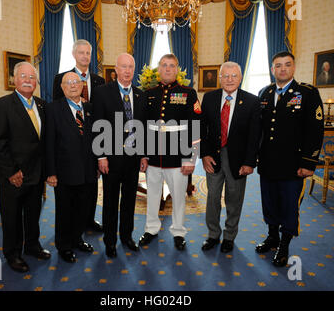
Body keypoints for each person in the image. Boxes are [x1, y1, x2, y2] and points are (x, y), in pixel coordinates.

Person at [256, 51, 324, 267]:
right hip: (267, 163)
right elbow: (259, 130)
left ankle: (284, 245)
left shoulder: (307, 93)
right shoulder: (264, 93)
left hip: (293, 165)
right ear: (272, 69)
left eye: (287, 65)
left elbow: (315, 130)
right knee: (270, 203)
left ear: (293, 67)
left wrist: (308, 162)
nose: (282, 69)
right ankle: (272, 237)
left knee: (288, 206)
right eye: (278, 65)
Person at [0, 62, 50, 273]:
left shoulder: (41, 105)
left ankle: (32, 246)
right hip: (15, 175)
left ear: (37, 83)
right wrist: (12, 171)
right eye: (23, 76)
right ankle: (12, 254)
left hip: (36, 174)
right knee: (12, 217)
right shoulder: (1, 105)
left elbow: (43, 141)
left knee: (33, 214)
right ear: (14, 79)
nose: (28, 80)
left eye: (32, 77)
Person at [138, 53, 201, 251]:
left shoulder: (188, 93)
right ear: (158, 70)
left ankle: (179, 231)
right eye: (164, 65)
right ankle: (151, 228)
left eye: (171, 65)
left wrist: (191, 158)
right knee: (153, 195)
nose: (167, 69)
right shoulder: (149, 93)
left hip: (178, 155)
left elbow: (195, 126)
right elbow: (143, 126)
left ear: (177, 69)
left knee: (179, 197)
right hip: (154, 155)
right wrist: (144, 154)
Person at [200, 61, 261, 253]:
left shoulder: (252, 101)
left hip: (238, 160)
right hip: (213, 157)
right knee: (212, 198)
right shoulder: (209, 98)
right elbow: (202, 128)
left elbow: (255, 135)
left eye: (234, 76)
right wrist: (204, 154)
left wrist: (250, 162)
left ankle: (229, 236)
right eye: (225, 76)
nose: (229, 79)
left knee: (234, 199)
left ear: (241, 78)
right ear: (219, 78)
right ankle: (213, 234)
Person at [92, 53, 148, 258]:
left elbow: (143, 128)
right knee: (110, 201)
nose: (127, 71)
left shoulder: (141, 94)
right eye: (123, 67)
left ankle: (126, 236)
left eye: (130, 67)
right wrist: (101, 156)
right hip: (111, 159)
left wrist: (144, 156)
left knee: (129, 200)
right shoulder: (101, 93)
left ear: (134, 70)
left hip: (133, 159)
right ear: (115, 69)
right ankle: (110, 241)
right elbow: (97, 126)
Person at [53, 39, 104, 233]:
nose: (85, 56)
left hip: (91, 142)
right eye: (81, 53)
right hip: (69, 145)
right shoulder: (62, 78)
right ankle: (73, 228)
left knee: (91, 189)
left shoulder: (98, 80)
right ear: (74, 54)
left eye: (88, 53)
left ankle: (89, 220)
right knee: (70, 194)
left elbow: (101, 114)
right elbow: (57, 110)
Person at [46, 72, 97, 263]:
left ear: (82, 85)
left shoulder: (89, 108)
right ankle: (64, 246)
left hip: (87, 171)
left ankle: (77, 239)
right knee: (64, 211)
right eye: (68, 83)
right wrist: (50, 172)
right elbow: (49, 143)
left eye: (76, 82)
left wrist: (97, 164)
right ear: (62, 87)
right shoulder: (53, 109)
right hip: (64, 172)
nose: (73, 85)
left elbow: (95, 140)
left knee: (82, 209)